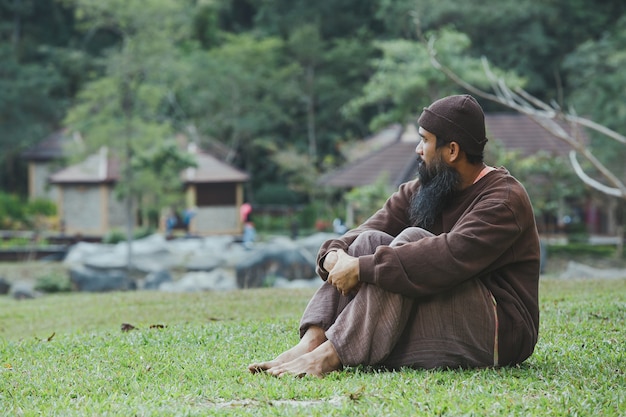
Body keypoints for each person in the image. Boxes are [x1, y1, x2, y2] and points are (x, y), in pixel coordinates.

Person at [248, 94, 540, 377]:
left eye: (425, 140)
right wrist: (335, 253)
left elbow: (449, 256)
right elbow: (365, 231)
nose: (417, 148)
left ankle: (329, 355)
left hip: (499, 331)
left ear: (452, 151)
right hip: (442, 308)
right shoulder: (425, 189)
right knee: (367, 243)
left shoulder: (503, 200)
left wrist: (361, 268)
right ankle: (311, 343)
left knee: (411, 241)